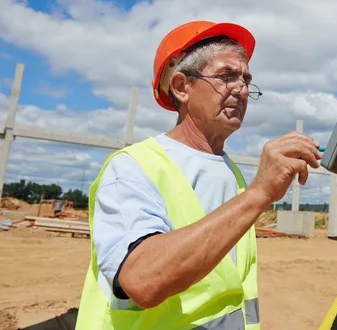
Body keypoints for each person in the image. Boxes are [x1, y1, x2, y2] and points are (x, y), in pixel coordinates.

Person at [75, 21, 323, 329]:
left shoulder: (230, 172)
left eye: (246, 80)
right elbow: (141, 281)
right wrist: (259, 194)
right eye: (226, 76)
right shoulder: (133, 166)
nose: (242, 89)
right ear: (181, 87)